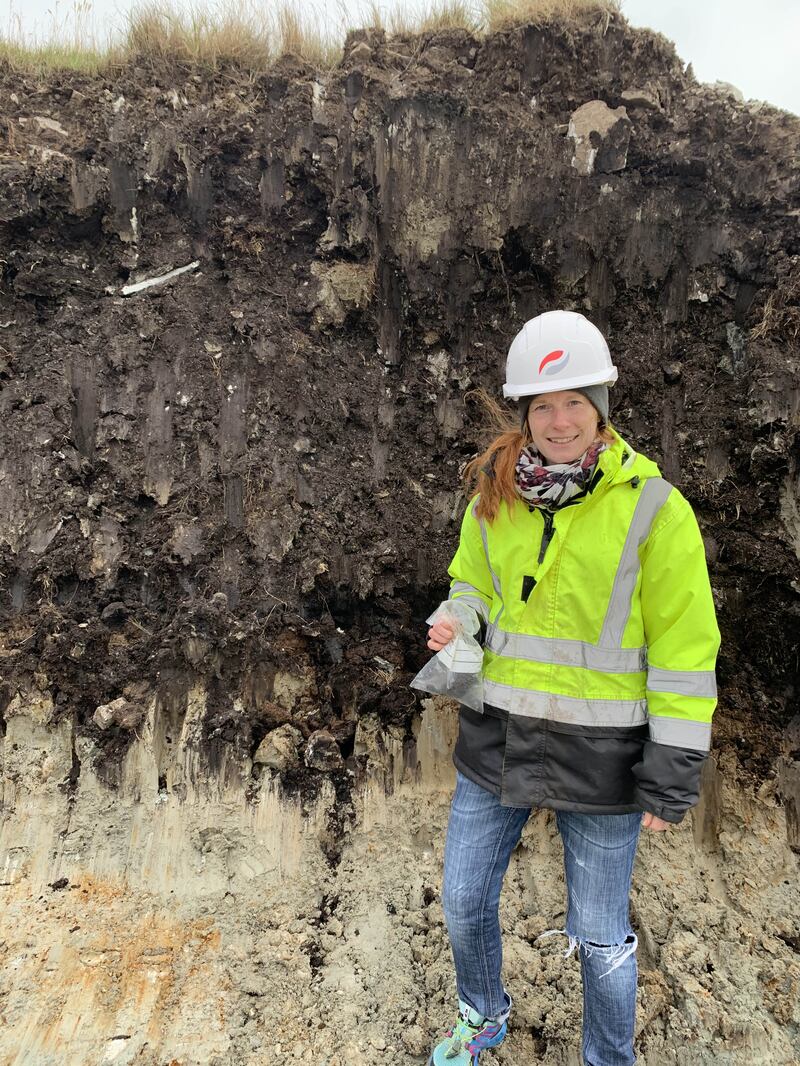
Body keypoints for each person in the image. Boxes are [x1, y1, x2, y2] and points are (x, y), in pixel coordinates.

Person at [424, 310, 720, 1066]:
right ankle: (483, 1014)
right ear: (525, 414)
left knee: (598, 935)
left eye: (575, 404)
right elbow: (473, 586)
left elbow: (687, 651)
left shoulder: (657, 510)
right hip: (500, 742)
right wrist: (458, 621)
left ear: (601, 410)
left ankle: (607, 1059)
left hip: (606, 759)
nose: (559, 422)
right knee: (461, 903)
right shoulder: (496, 494)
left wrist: (673, 768)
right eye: (543, 406)